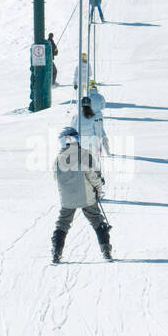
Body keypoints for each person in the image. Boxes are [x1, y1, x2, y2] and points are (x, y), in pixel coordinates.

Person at [51, 126, 112, 263]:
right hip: (86, 196)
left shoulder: (58, 159)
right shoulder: (85, 155)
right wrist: (98, 189)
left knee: (62, 223)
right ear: (76, 139)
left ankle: (56, 252)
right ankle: (106, 250)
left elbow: (56, 177)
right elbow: (93, 175)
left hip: (67, 198)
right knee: (97, 221)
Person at [80, 93, 110, 160]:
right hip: (97, 116)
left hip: (81, 139)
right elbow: (103, 106)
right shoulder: (100, 96)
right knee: (101, 131)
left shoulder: (76, 117)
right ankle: (106, 150)